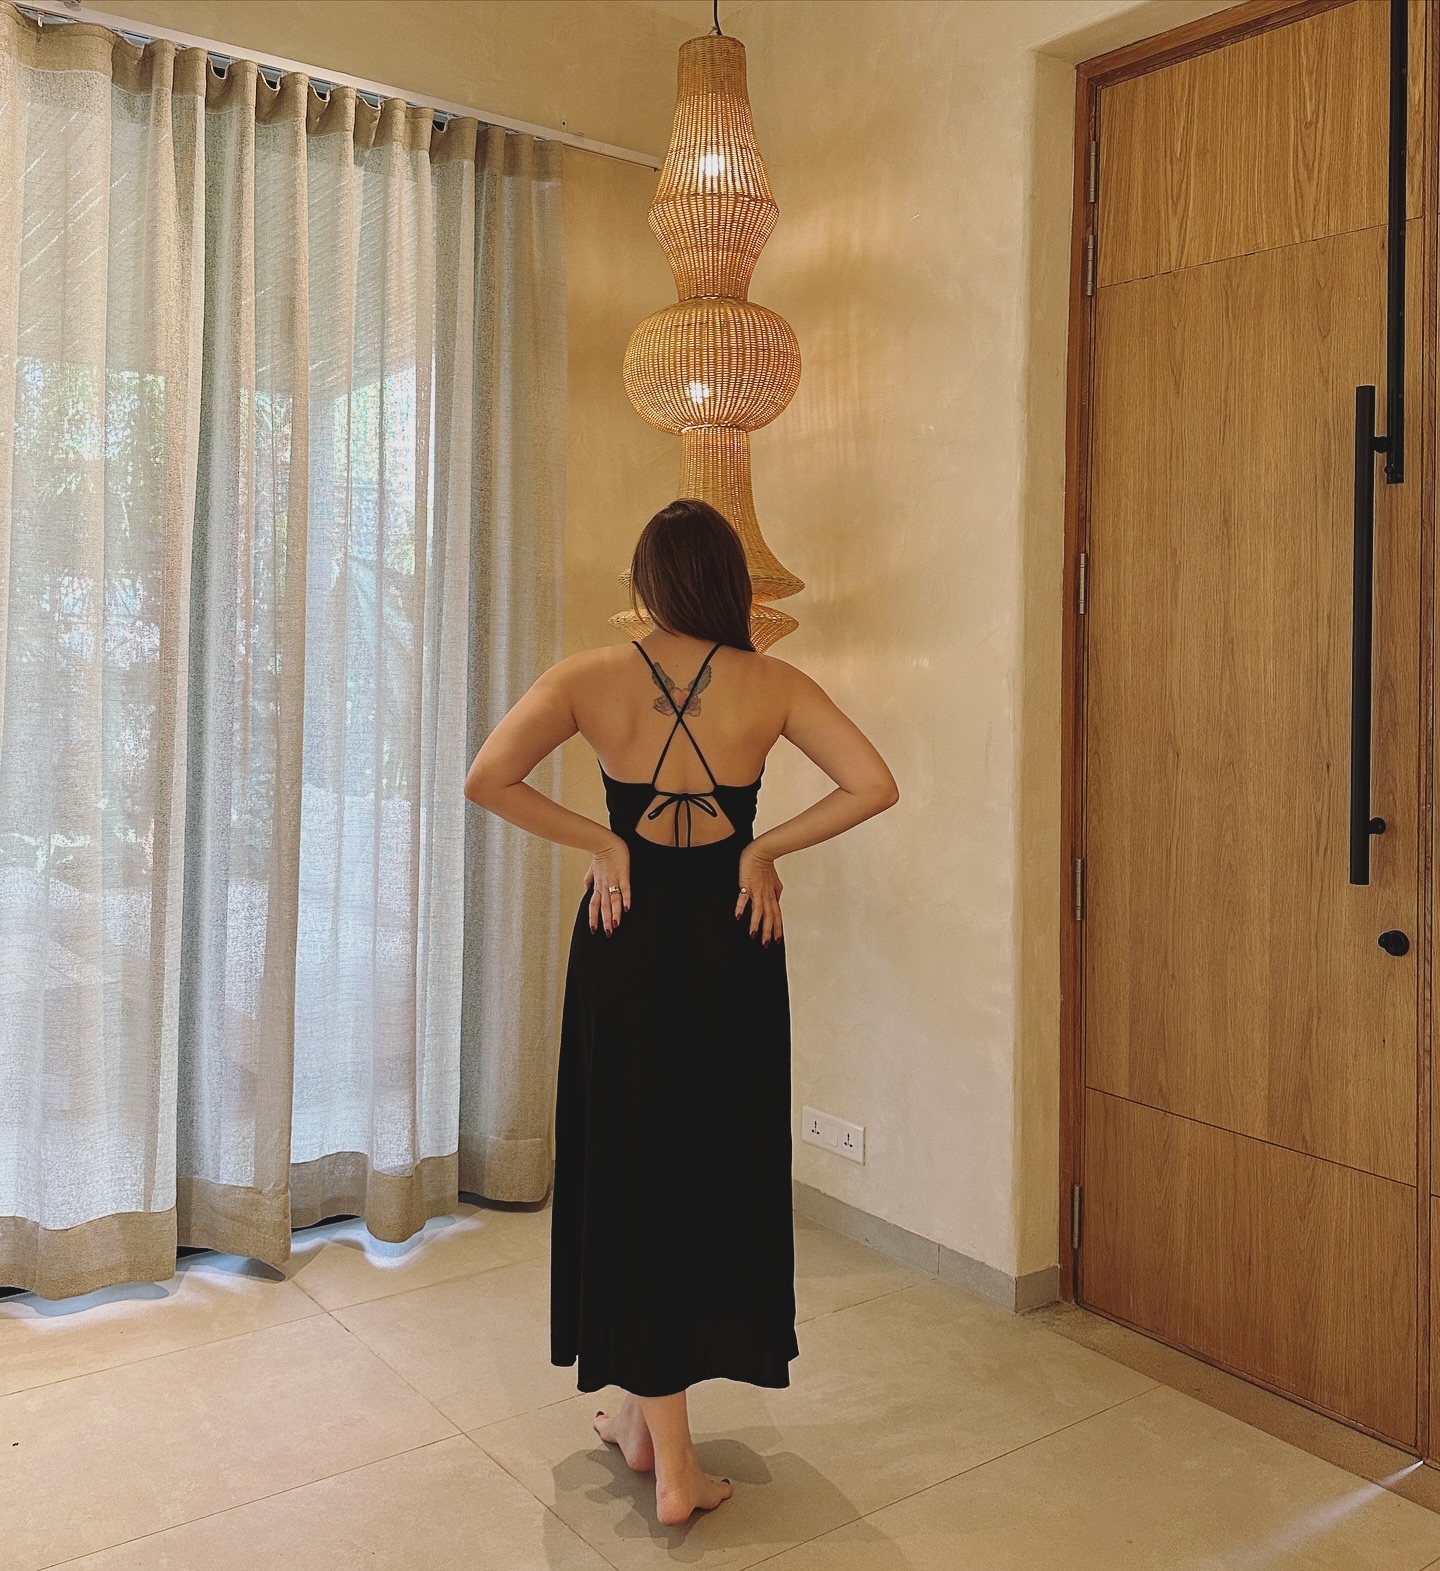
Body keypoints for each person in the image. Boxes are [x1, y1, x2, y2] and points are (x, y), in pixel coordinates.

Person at [463, 497, 899, 1525]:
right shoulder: (772, 682)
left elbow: (488, 778)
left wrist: (604, 841)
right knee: (708, 1165)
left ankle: (665, 1452)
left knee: (634, 1165)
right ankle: (652, 1434)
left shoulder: (588, 675)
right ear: (730, 583)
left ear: (647, 582)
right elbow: (873, 783)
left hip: (626, 934)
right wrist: (762, 848)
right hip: (732, 943)